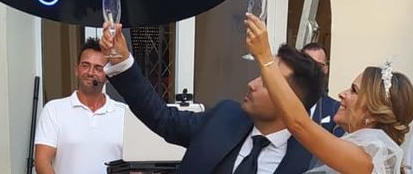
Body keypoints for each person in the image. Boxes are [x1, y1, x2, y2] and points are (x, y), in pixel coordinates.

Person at [100, 21, 325, 173]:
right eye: (259, 75)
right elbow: (162, 117)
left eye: (266, 83)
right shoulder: (225, 117)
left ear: (290, 100)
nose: (252, 84)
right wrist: (122, 62)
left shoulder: (311, 161)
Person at [246, 15, 413, 174]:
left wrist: (264, 57)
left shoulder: (366, 160)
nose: (342, 94)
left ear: (372, 114)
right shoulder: (353, 149)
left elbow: (299, 124)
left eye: (354, 91)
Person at [34, 37, 126, 174]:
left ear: (107, 75)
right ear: (76, 70)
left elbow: (135, 165)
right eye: (85, 65)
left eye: (98, 68)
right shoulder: (54, 110)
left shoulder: (124, 113)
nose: (90, 72)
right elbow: (42, 162)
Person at [301, 43, 342, 136]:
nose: (312, 70)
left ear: (325, 69)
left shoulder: (335, 109)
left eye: (318, 66)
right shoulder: (285, 102)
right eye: (308, 64)